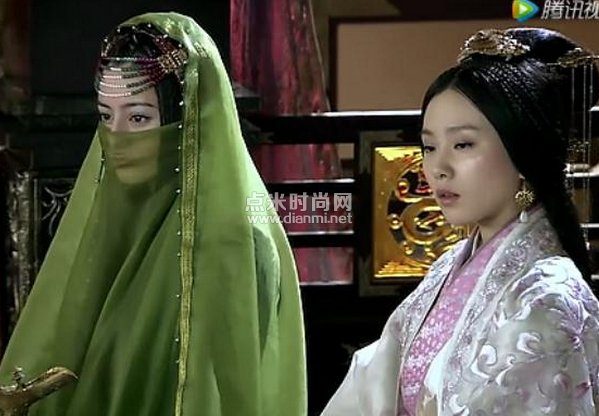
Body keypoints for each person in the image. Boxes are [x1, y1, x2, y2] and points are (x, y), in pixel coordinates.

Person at [0, 12, 306, 416]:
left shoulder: (239, 247)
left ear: (188, 121)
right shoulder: (112, 222)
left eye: (139, 117)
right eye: (106, 116)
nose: (118, 137)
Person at [322, 28, 599, 415]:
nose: (438, 168)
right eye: (429, 147)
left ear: (524, 153)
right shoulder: (447, 266)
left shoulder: (545, 297)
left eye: (463, 144)